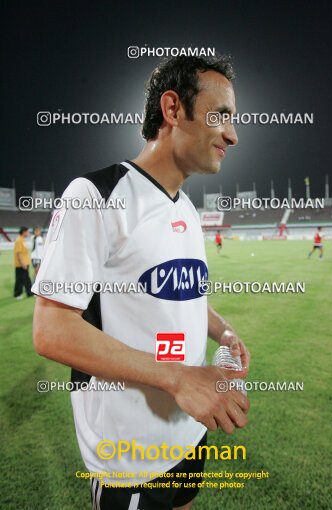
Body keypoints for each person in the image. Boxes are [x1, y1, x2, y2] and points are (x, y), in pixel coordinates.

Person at [32, 55, 251, 510]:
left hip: (188, 433)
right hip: (129, 457)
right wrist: (178, 377)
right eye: (221, 116)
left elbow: (183, 291)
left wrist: (223, 330)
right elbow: (52, 331)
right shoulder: (95, 196)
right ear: (173, 110)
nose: (233, 135)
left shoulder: (186, 210)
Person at [13, 226, 33, 299]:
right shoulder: (19, 240)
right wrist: (22, 263)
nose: (28, 233)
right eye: (27, 232)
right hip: (21, 264)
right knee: (19, 279)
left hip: (25, 263)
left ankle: (29, 293)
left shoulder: (23, 240)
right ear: (24, 232)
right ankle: (17, 294)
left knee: (26, 279)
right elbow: (19, 253)